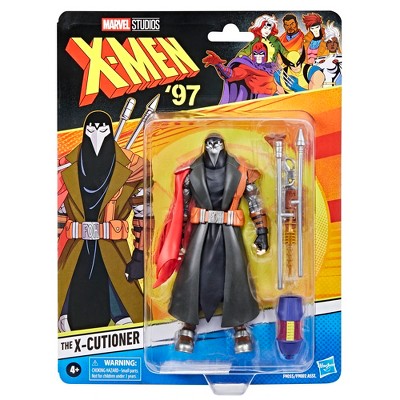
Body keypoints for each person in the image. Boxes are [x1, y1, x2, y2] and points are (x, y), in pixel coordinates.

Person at [154, 134, 269, 354]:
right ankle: (188, 324)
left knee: (236, 275)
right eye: (209, 143)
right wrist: (179, 239)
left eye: (217, 143)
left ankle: (240, 326)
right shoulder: (191, 172)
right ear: (205, 146)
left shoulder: (242, 171)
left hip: (229, 231)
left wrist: (262, 231)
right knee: (192, 275)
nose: (213, 146)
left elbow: (255, 202)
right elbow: (182, 210)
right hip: (201, 232)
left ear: (223, 145)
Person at [58, 110, 145, 331]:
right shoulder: (66, 166)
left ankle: (121, 314)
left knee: (123, 301)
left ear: (109, 130)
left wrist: (140, 255)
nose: (97, 133)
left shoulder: (132, 166)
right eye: (92, 128)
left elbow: (144, 211)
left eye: (103, 128)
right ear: (85, 130)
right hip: (75, 247)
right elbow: (59, 210)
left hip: (112, 248)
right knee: (68, 296)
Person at [202, 41, 278, 103]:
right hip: (259, 101)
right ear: (252, 54)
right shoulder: (248, 67)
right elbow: (232, 74)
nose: (258, 57)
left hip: (274, 99)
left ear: (266, 54)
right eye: (256, 54)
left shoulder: (270, 67)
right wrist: (218, 65)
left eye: (261, 54)